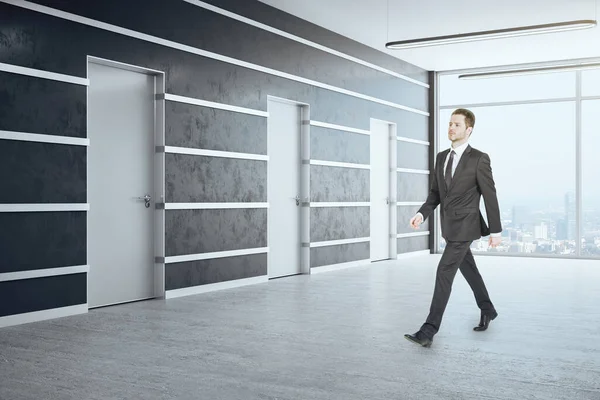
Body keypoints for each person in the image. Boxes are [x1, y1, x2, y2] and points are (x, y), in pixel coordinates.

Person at [404, 108, 502, 348]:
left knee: (444, 272)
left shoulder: (479, 158)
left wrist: (496, 230)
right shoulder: (440, 157)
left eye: (456, 125)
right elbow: (435, 194)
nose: (451, 128)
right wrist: (421, 214)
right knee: (469, 270)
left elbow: (490, 195)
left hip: (466, 227)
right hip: (449, 227)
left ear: (468, 130)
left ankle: (428, 330)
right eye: (449, 124)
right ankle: (487, 309)